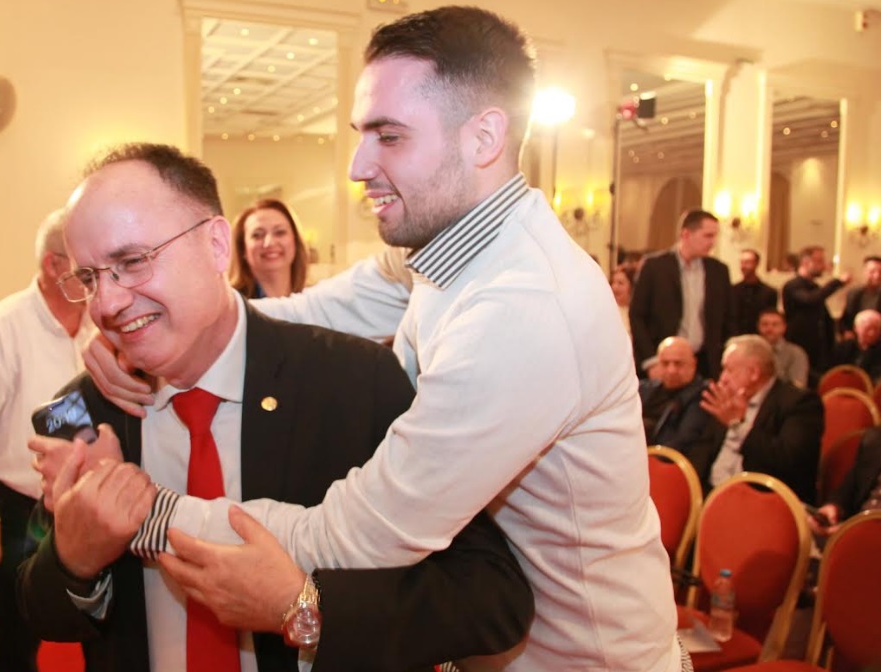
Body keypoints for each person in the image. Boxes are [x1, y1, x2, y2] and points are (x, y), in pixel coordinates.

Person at [81, 7, 684, 671]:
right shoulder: (448, 251)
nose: (357, 166)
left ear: (483, 138)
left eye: (389, 136)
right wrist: (149, 321)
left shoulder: (522, 309)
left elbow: (358, 534)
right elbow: (302, 312)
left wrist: (139, 508)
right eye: (361, 134)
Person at [18, 143, 532, 672]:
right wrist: (75, 559)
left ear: (217, 245)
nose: (105, 304)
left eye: (132, 262)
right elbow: (38, 608)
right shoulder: (75, 412)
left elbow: (490, 597)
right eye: (88, 278)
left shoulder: (353, 383)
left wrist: (305, 607)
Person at [0, 210, 93, 672]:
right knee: (16, 630)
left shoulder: (101, 323)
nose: (101, 271)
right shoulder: (0, 330)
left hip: (90, 503)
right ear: (53, 265)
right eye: (87, 261)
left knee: (102, 625)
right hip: (20, 509)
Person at [688, 335, 823, 504]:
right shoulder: (728, 399)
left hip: (763, 502)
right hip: (710, 496)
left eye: (728, 370)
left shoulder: (799, 403)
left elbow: (787, 460)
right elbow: (702, 450)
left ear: (753, 373)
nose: (723, 379)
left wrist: (738, 426)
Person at [630, 209, 734, 379]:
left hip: (705, 363)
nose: (713, 242)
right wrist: (651, 360)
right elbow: (637, 316)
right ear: (686, 234)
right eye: (707, 236)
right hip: (663, 361)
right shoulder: (654, 267)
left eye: (715, 236)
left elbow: (728, 319)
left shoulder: (718, 271)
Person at [782, 245, 851, 385]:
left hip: (819, 351)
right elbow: (811, 299)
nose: (823, 266)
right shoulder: (792, 286)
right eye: (819, 261)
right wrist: (837, 282)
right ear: (806, 262)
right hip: (801, 346)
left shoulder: (815, 287)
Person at [638, 337, 710, 455]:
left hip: (663, 460)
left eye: (678, 364)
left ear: (693, 364)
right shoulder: (644, 389)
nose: (671, 370)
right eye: (665, 363)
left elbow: (682, 441)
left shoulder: (703, 394)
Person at [229, 198, 308, 298]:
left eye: (280, 232)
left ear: (295, 241)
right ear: (242, 248)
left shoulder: (314, 300)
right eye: (257, 235)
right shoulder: (231, 303)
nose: (269, 243)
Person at [809, 426, 881, 536]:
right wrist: (835, 506)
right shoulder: (875, 439)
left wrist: (854, 531)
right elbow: (850, 487)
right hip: (853, 530)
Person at [757, 308, 809, 388]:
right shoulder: (749, 351)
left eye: (775, 324)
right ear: (758, 326)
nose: (769, 329)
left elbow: (797, 387)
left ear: (784, 327)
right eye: (765, 324)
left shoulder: (795, 353)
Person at [732, 248, 778, 335]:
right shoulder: (732, 291)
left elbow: (770, 319)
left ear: (756, 263)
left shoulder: (769, 292)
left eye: (747, 262)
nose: (743, 266)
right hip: (736, 337)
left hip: (760, 337)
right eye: (742, 262)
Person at [830, 308, 881, 382]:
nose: (872, 333)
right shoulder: (843, 348)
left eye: (876, 329)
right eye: (868, 329)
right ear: (856, 328)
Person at [839, 255, 881, 338]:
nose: (877, 276)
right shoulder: (854, 294)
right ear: (865, 272)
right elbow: (846, 320)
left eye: (880, 272)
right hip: (857, 339)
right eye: (872, 272)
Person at [611, 265, 634, 337]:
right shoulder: (608, 311)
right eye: (613, 282)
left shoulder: (637, 314)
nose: (614, 287)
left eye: (620, 283)